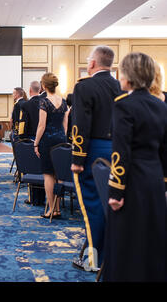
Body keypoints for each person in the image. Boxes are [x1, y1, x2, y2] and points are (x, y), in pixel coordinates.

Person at [103, 52, 167, 282]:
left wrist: (116, 191)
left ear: (128, 77)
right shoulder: (161, 106)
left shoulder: (124, 105)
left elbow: (121, 151)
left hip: (132, 182)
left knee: (127, 242)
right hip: (155, 181)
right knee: (153, 240)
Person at [70, 45, 122, 272]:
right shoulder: (121, 86)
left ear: (92, 64)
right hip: (119, 152)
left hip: (93, 153)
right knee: (112, 206)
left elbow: (81, 124)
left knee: (93, 206)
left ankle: (94, 261)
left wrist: (77, 158)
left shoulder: (85, 86)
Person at [33, 73, 68, 219]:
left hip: (47, 140)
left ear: (44, 86)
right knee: (59, 174)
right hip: (61, 139)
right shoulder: (64, 101)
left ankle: (51, 209)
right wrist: (63, 138)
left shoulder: (44, 102)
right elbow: (65, 124)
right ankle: (58, 208)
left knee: (48, 175)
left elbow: (41, 125)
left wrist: (35, 143)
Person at [18, 80, 45, 206]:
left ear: (29, 90)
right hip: (44, 139)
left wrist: (21, 138)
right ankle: (43, 198)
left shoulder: (26, 105)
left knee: (32, 169)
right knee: (42, 169)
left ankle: (34, 198)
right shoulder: (45, 102)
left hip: (31, 139)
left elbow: (23, 124)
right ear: (40, 90)